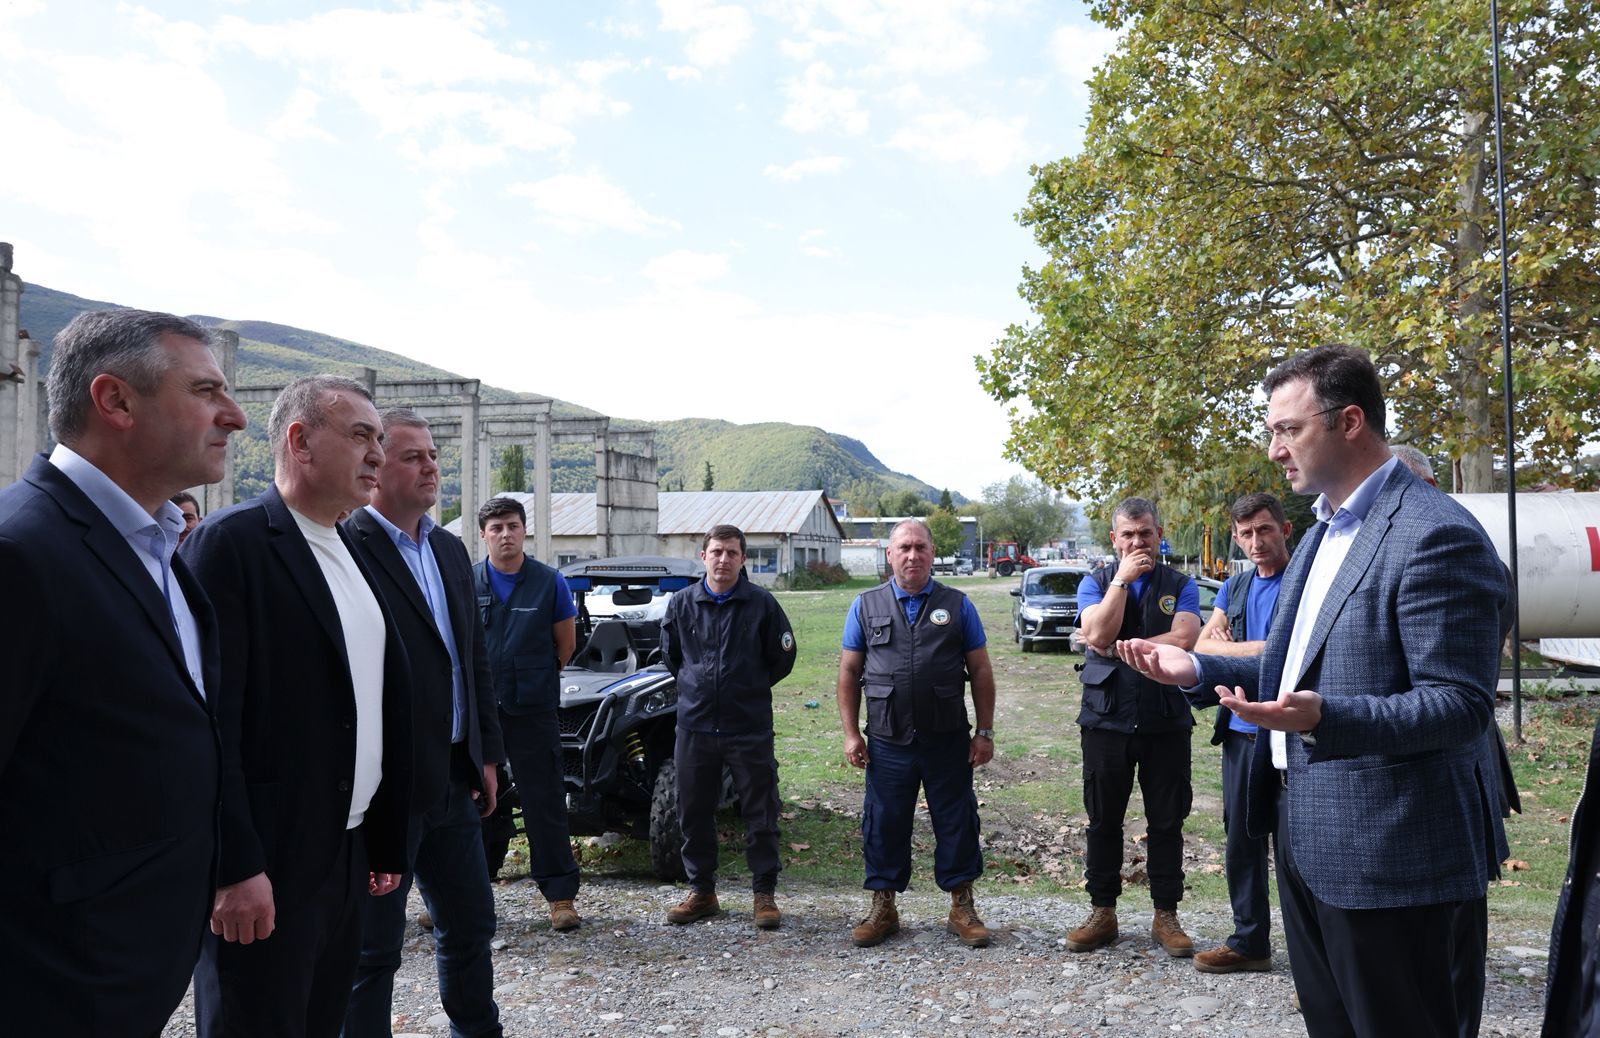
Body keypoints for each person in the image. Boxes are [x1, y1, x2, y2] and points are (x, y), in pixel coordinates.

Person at [1117, 344, 1505, 1038]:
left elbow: (1459, 705)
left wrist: (1325, 717)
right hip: (1307, 839)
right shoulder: (1325, 529)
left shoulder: (1437, 534)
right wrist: (1196, 671)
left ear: (1349, 421)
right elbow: (1293, 665)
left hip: (1392, 857)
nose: (1274, 450)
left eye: (1288, 430)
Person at [0, 309, 245, 1034]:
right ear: (115, 401)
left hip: (130, 963)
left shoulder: (156, 545)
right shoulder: (20, 552)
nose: (234, 416)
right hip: (52, 979)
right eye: (205, 391)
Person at [183, 374, 414, 1038]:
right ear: (300, 441)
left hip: (344, 853)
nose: (377, 453)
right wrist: (233, 866)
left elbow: (371, 694)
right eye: (361, 435)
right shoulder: (231, 545)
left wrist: (380, 839)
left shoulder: (353, 546)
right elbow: (209, 721)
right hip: (268, 860)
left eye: (380, 438)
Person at [342, 409, 507, 1037]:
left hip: (454, 778)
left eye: (433, 455)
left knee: (470, 926)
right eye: (413, 456)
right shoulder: (346, 545)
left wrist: (485, 753)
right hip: (385, 785)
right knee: (372, 948)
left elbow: (472, 659)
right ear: (376, 466)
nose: (431, 467)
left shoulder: (447, 548)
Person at [836, 518, 997, 949]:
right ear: (889, 555)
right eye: (904, 548)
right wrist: (851, 734)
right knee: (884, 822)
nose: (912, 555)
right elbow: (849, 672)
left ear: (932, 553)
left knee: (956, 820)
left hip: (947, 738)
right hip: (887, 740)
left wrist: (984, 731)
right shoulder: (865, 605)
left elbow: (981, 670)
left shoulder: (958, 605)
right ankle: (883, 908)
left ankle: (962, 907)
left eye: (920, 547)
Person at [1067, 497, 1202, 957]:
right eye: (1128, 534)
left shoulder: (1180, 584)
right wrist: (1121, 582)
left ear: (1159, 535)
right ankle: (1102, 912)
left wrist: (1115, 647)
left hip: (1165, 718)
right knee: (1103, 820)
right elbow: (1096, 632)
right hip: (1106, 719)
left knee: (1167, 821)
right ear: (1114, 539)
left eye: (1145, 533)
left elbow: (1185, 638)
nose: (1138, 542)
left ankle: (1166, 914)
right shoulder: (1095, 582)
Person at [658, 524, 797, 928]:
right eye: (716, 552)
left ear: (742, 558)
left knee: (760, 811)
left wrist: (746, 688)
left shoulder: (761, 604)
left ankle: (764, 894)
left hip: (747, 726)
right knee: (692, 810)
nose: (723, 559)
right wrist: (700, 688)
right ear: (703, 557)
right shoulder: (682, 604)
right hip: (696, 726)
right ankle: (702, 892)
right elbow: (672, 657)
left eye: (732, 552)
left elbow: (782, 658)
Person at [1190, 492, 1291, 974]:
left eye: (1265, 529)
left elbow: (1287, 651)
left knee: (1297, 849)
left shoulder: (1305, 579)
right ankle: (1250, 943)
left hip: (1290, 732)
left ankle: (1316, 962)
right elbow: (1201, 645)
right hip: (1239, 734)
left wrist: (1234, 647)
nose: (1256, 541)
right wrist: (1255, 648)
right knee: (1241, 842)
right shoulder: (1235, 587)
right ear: (1235, 537)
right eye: (1246, 533)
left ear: (1285, 530)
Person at [475, 495, 582, 931]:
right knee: (475, 801)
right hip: (481, 709)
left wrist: (532, 676)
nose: (506, 534)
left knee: (544, 801)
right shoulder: (466, 581)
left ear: (524, 531)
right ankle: (467, 895)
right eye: (496, 528)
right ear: (484, 535)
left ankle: (560, 897)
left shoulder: (548, 581)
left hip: (532, 708)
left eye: (513, 526)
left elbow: (566, 645)